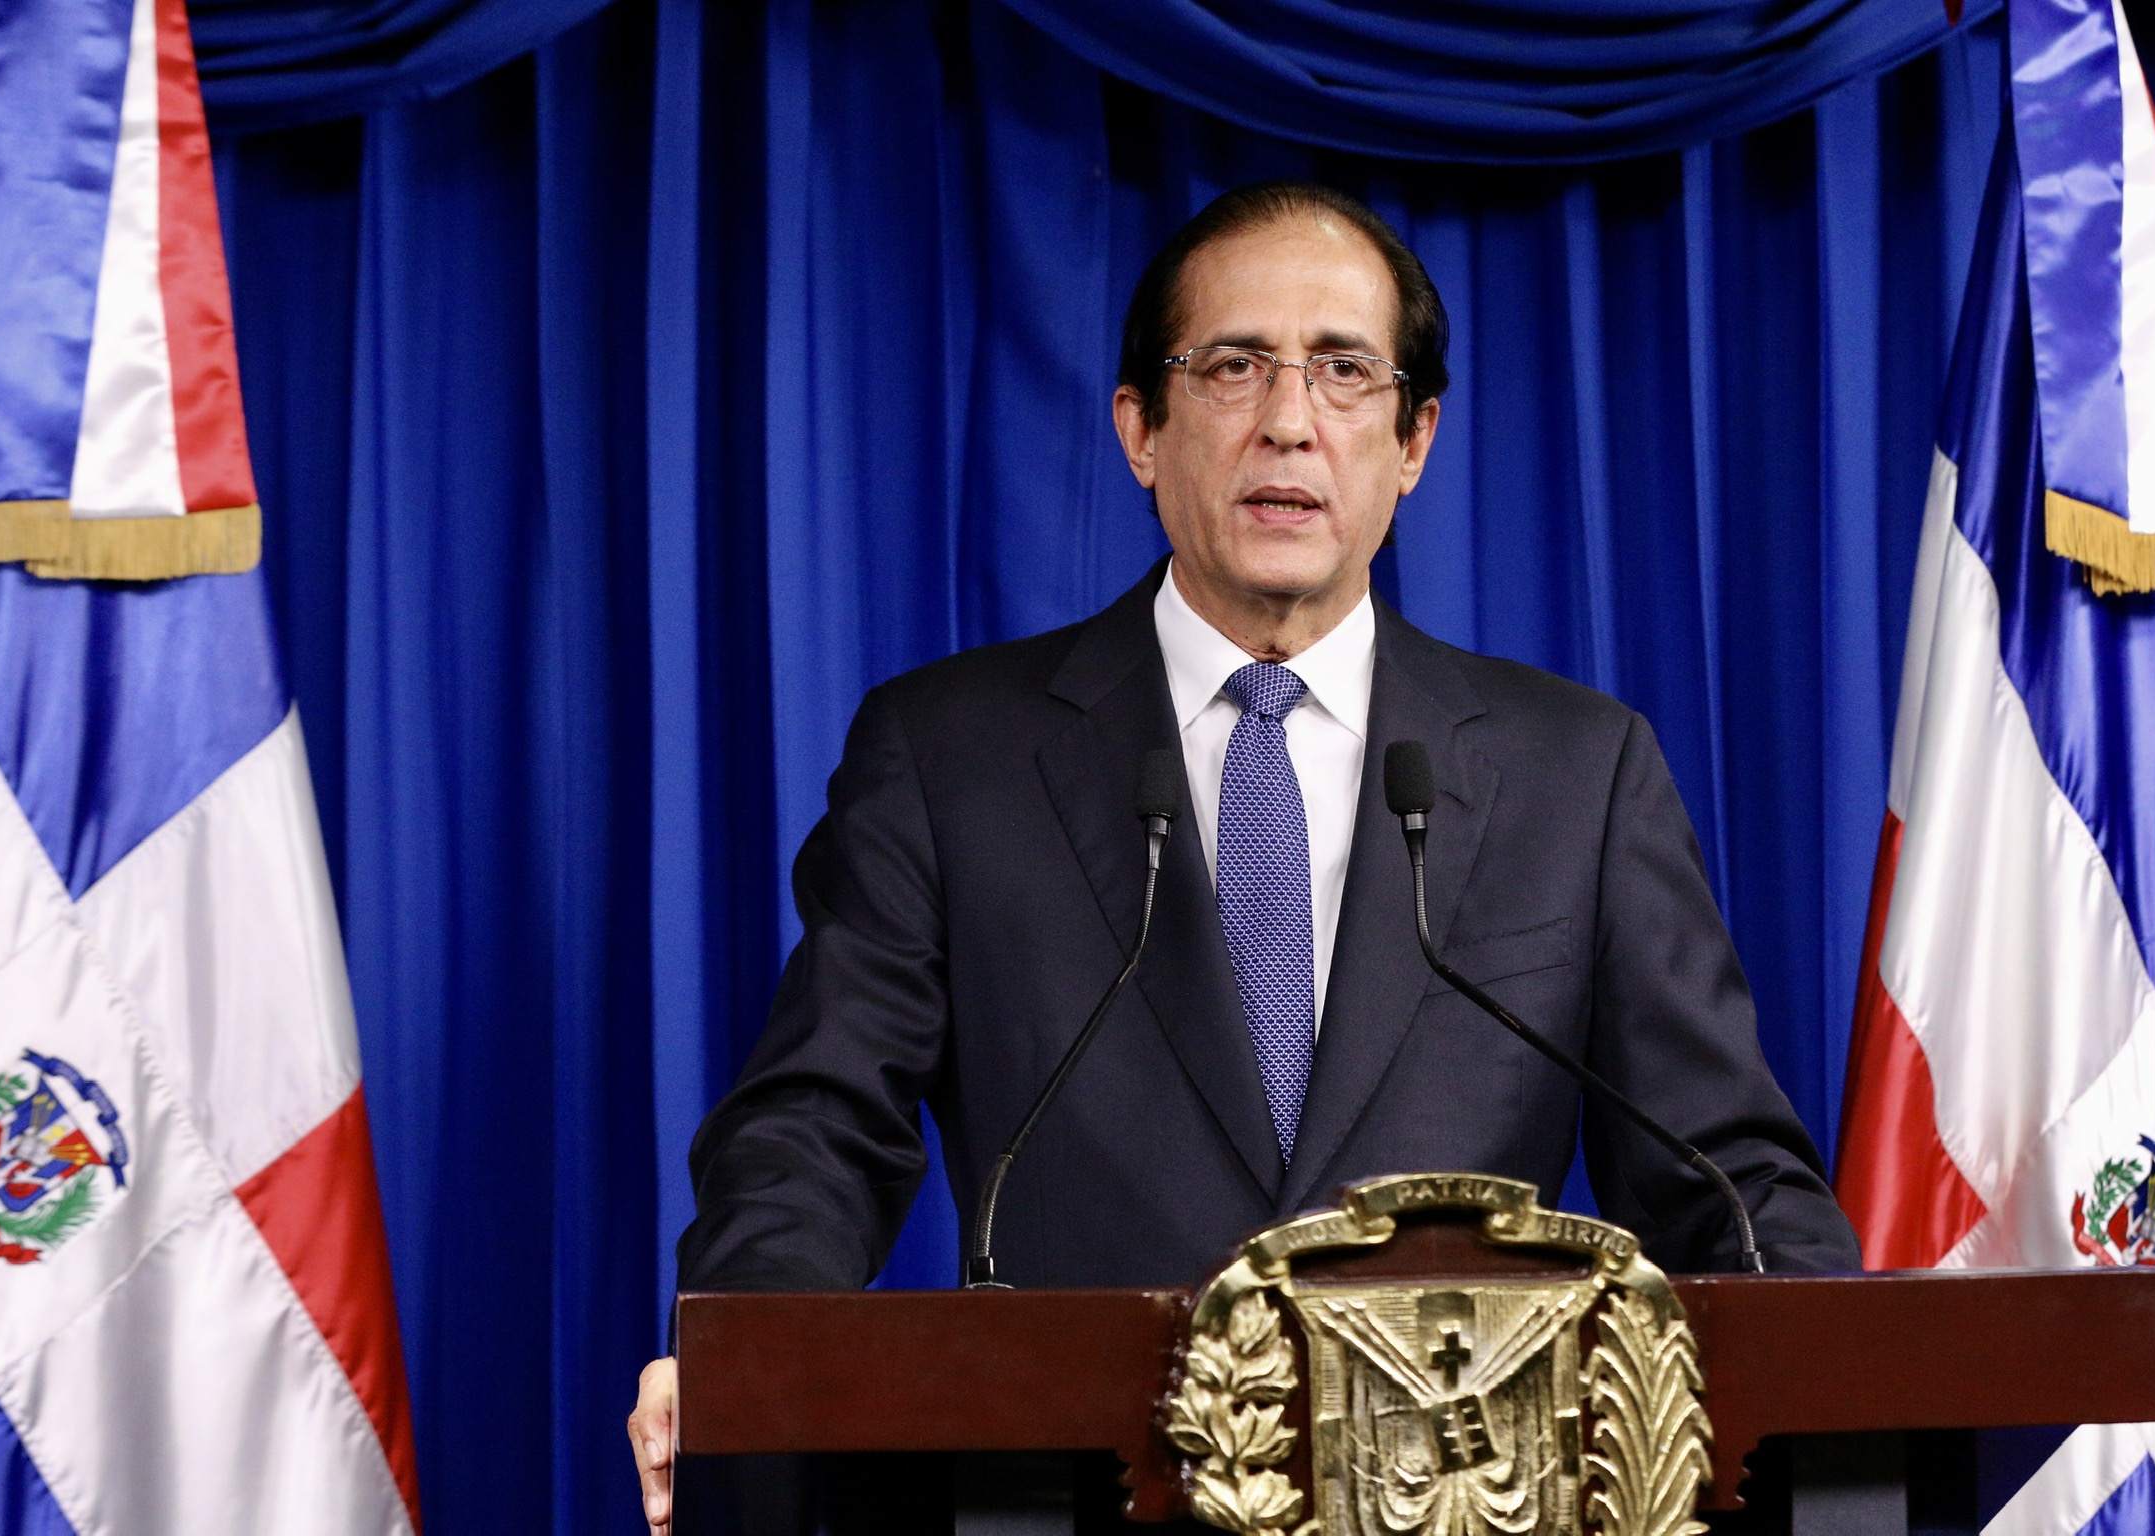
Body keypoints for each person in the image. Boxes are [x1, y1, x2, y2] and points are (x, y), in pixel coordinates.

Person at [628, 180, 1860, 1530]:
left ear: (1413, 441)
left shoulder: (1577, 771)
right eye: (1232, 366)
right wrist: (745, 1353)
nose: (1287, 419)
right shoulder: (950, 755)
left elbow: (1723, 1178)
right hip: (1071, 1494)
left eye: (1344, 370)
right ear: (1139, 431)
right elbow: (815, 1127)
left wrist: (1844, 1387)